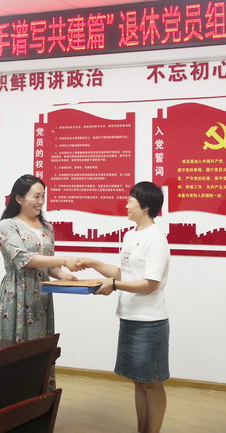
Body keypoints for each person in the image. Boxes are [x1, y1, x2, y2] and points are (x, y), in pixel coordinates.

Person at [78, 181, 170, 433]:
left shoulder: (156, 238)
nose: (126, 204)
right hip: (129, 317)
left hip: (150, 322)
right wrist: (94, 263)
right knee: (139, 382)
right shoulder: (131, 235)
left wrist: (115, 285)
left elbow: (150, 283)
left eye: (131, 200)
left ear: (146, 206)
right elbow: (124, 273)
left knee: (152, 383)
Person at [0, 174, 81, 343]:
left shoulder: (46, 227)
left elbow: (49, 264)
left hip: (41, 294)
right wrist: (65, 260)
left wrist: (65, 276)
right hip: (17, 292)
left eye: (43, 196)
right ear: (19, 198)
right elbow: (25, 259)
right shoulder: (7, 225)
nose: (41, 201)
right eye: (36, 196)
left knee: (39, 344)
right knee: (14, 347)